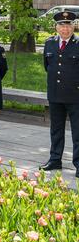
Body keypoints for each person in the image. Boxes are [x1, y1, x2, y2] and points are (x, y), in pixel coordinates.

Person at [40, 11, 79, 177]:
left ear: (74, 26)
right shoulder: (49, 43)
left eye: (69, 24)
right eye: (62, 25)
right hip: (55, 95)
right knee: (56, 130)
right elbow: (47, 66)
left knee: (78, 132)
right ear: (56, 27)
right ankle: (55, 160)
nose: (65, 28)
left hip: (75, 95)